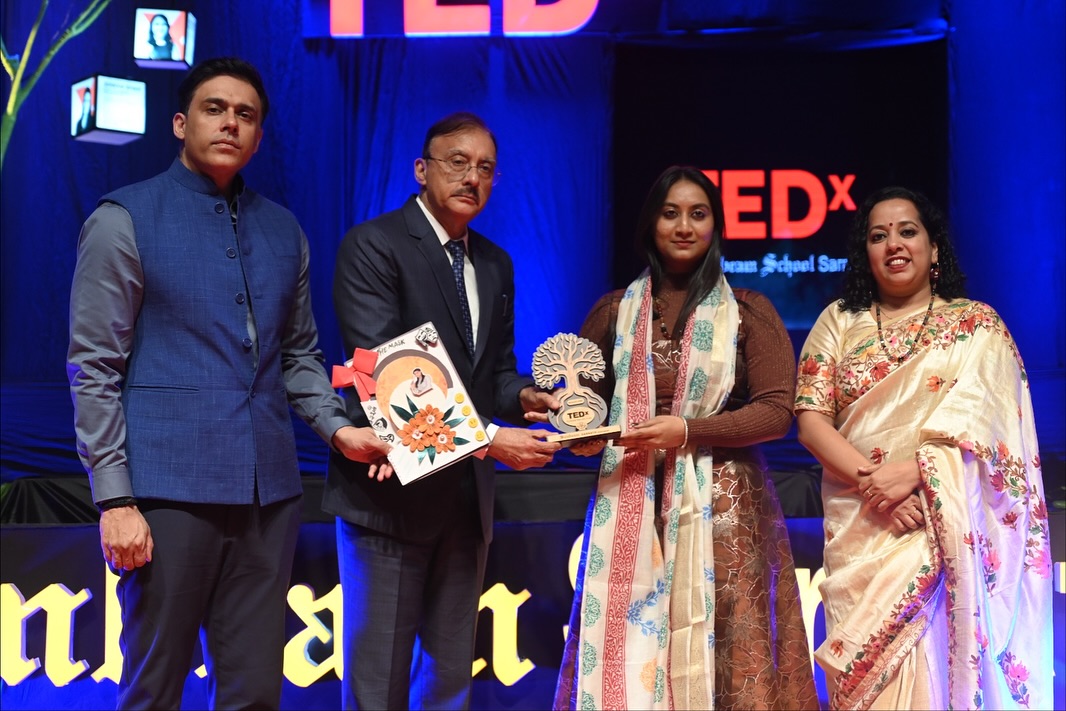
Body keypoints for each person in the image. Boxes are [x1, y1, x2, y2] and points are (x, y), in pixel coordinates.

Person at [67, 56, 392, 710]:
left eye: (246, 115)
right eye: (214, 109)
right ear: (180, 123)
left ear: (259, 136)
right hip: (166, 494)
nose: (230, 123)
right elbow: (93, 365)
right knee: (153, 689)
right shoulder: (124, 217)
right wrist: (115, 498)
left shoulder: (284, 229)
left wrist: (340, 430)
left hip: (267, 498)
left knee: (254, 693)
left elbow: (299, 355)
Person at [552, 166, 819, 710]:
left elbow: (776, 413)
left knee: (731, 650)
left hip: (724, 510)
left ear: (715, 225)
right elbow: (589, 415)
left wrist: (688, 431)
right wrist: (574, 429)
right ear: (650, 223)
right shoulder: (613, 311)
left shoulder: (749, 310)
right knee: (629, 642)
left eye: (698, 214)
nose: (683, 226)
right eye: (670, 213)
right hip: (631, 497)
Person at [322, 111, 562, 710]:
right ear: (421, 169)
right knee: (377, 687)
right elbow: (388, 377)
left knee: (449, 683)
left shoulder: (495, 263)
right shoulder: (374, 245)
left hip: (464, 504)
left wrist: (526, 397)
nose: (472, 177)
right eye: (457, 162)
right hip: (388, 498)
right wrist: (493, 439)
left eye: (486, 168)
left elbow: (494, 374)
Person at [794, 186, 1053, 709]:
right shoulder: (838, 321)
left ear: (934, 248)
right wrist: (876, 489)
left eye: (907, 231)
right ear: (866, 254)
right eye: (878, 236)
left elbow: (995, 426)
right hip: (861, 527)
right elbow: (810, 421)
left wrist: (916, 472)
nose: (893, 243)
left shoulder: (977, 326)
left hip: (944, 526)